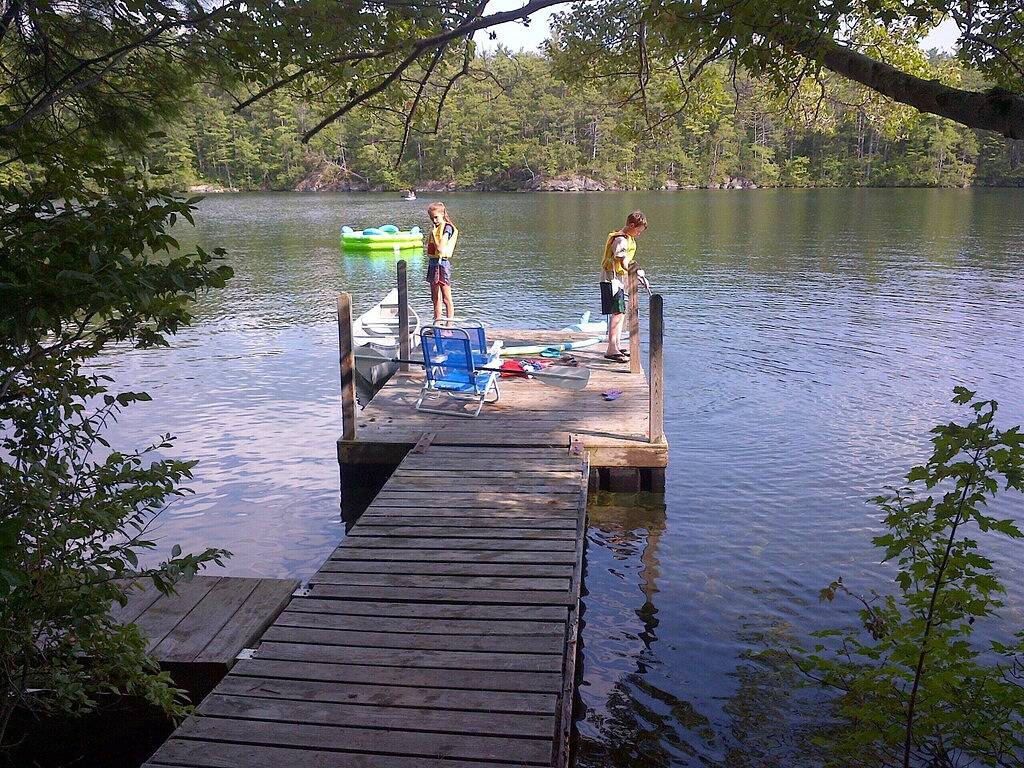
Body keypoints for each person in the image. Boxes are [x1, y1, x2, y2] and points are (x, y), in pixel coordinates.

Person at [600, 210, 647, 362]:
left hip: (619, 280)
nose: (639, 234)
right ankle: (611, 349)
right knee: (618, 312)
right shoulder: (620, 240)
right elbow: (623, 262)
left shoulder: (629, 238)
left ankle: (617, 345)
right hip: (611, 280)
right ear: (631, 225)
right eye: (638, 230)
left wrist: (638, 274)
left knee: (620, 313)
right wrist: (637, 274)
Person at [426, 201, 457, 321]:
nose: (434, 221)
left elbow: (440, 247)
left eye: (436, 217)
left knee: (446, 298)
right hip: (433, 263)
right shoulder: (435, 228)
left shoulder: (447, 228)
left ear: (443, 214)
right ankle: (437, 323)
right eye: (431, 218)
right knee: (435, 298)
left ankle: (449, 325)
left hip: (442, 264)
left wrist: (434, 235)